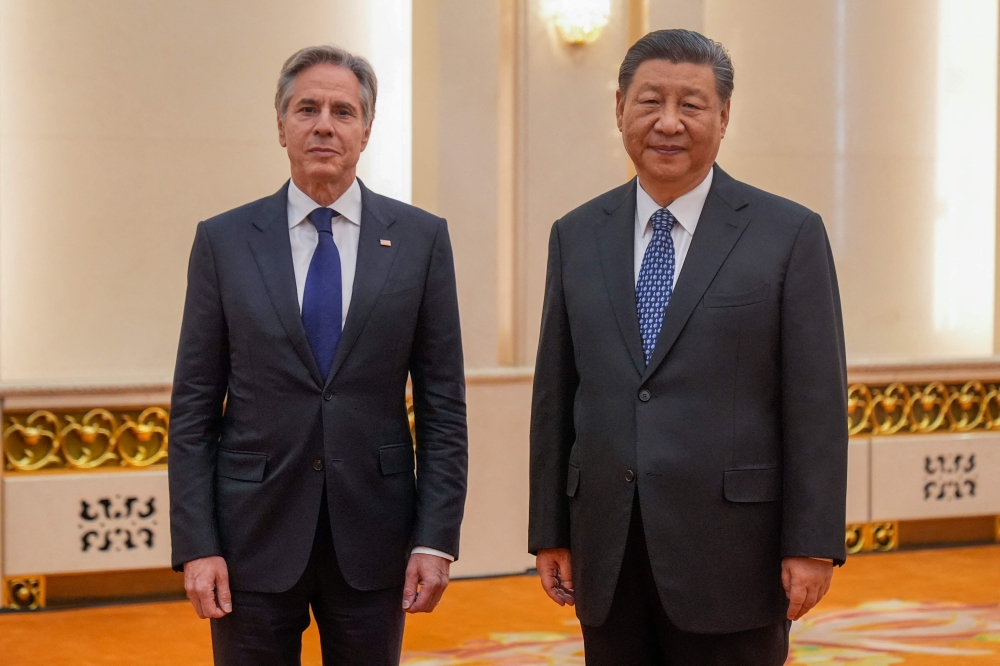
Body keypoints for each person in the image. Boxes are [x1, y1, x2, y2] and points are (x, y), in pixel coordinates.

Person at [529, 29, 848, 665]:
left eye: (692, 105)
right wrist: (550, 531)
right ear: (619, 107)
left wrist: (811, 543)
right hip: (608, 550)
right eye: (650, 102)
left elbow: (816, 403)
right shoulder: (577, 235)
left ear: (724, 116)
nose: (668, 123)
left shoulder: (788, 235)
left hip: (735, 552)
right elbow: (556, 394)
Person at [168, 45, 468, 666]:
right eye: (307, 109)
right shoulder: (223, 241)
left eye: (343, 111)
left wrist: (436, 539)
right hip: (250, 540)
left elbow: (444, 408)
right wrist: (197, 545)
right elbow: (193, 408)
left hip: (375, 539)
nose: (324, 125)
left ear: (365, 129)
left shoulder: (420, 240)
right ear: (281, 125)